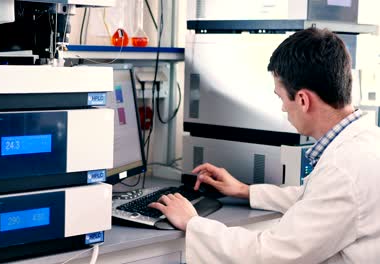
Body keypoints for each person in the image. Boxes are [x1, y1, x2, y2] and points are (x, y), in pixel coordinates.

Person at [149, 28, 380, 263]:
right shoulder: (367, 142)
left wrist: (192, 223)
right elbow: (315, 201)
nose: (282, 108)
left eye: (281, 98)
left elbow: (269, 255)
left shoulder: (343, 171)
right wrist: (244, 190)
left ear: (302, 100)